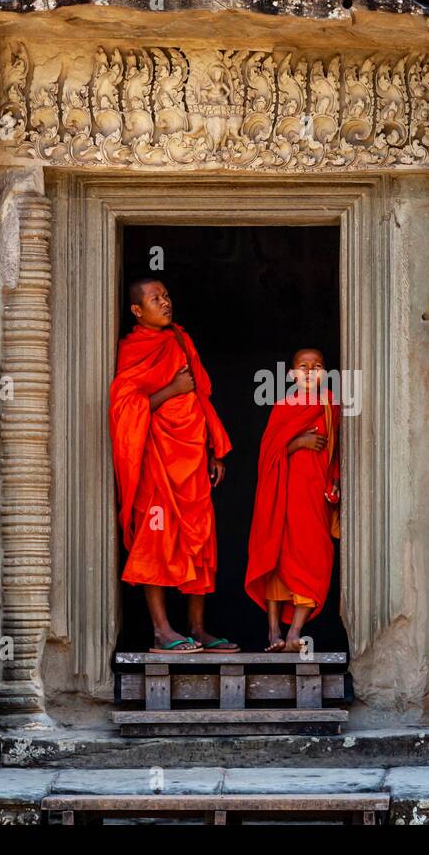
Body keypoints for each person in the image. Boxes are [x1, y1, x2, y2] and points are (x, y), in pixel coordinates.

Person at [109, 277, 239, 653]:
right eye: (155, 298)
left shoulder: (181, 339)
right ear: (137, 310)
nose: (165, 302)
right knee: (157, 539)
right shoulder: (134, 349)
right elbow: (123, 409)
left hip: (193, 457)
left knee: (198, 539)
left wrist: (215, 448)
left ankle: (197, 628)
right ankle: (162, 630)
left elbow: (200, 395)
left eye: (167, 295)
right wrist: (170, 391)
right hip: (157, 462)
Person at [245, 348, 341, 653]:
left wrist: (336, 481)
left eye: (318, 366)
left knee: (314, 557)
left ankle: (294, 633)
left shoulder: (331, 406)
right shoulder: (282, 407)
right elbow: (266, 457)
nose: (311, 371)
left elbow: (338, 451)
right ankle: (273, 632)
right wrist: (299, 442)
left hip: (313, 496)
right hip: (281, 496)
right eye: (303, 366)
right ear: (290, 375)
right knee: (276, 555)